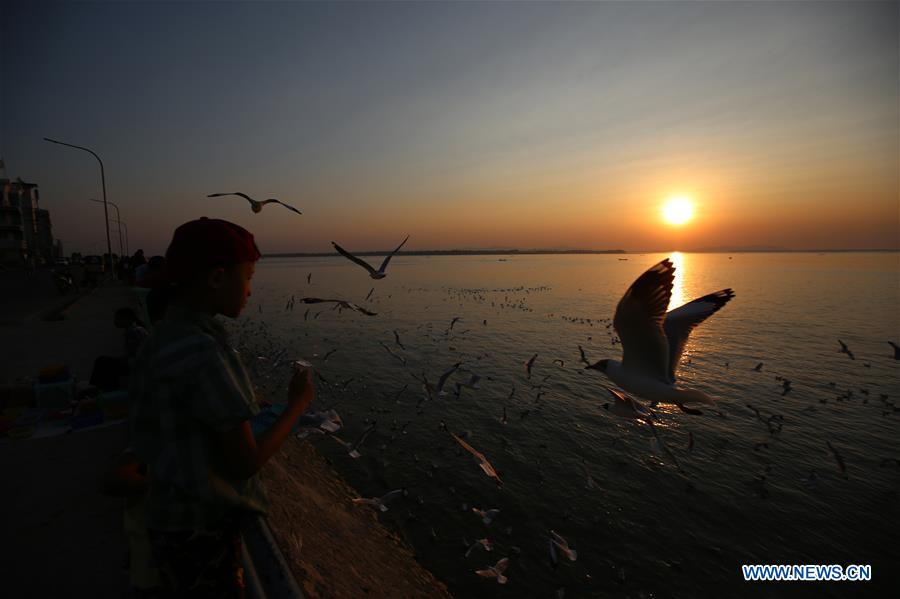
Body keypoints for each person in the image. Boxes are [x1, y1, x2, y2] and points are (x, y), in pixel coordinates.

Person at [129, 217, 314, 597]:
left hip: (166, 519)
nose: (249, 290)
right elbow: (243, 463)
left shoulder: (161, 337)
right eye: (247, 278)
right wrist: (297, 406)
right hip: (201, 531)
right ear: (217, 278)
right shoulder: (204, 351)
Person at [88, 307, 150, 392]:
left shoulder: (134, 332)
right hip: (137, 363)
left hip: (137, 365)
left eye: (117, 318)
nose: (115, 321)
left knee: (103, 361)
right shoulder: (135, 330)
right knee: (105, 362)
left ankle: (98, 389)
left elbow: (135, 354)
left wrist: (125, 360)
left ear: (126, 319)